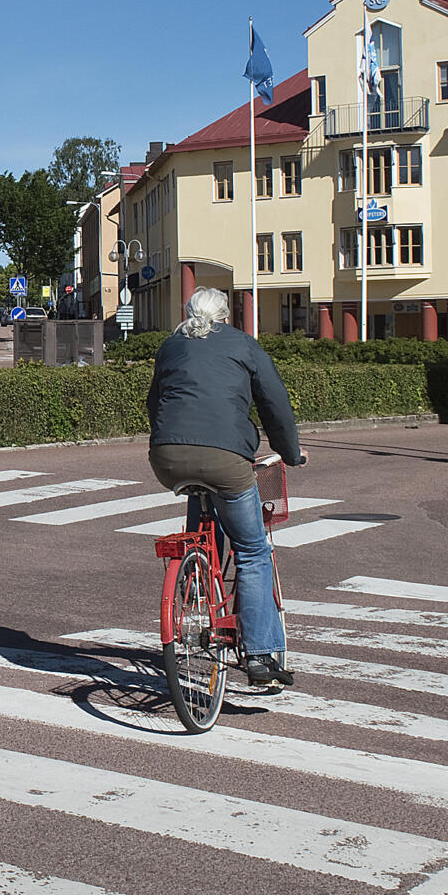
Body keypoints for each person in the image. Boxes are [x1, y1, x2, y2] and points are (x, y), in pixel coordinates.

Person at [145, 287, 305, 690]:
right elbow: (275, 404)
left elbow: (154, 402)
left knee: (202, 494)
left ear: (188, 313)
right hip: (226, 457)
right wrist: (291, 452)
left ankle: (195, 571)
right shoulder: (243, 345)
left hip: (166, 455)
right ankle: (261, 654)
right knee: (252, 550)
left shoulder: (170, 345)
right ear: (224, 317)